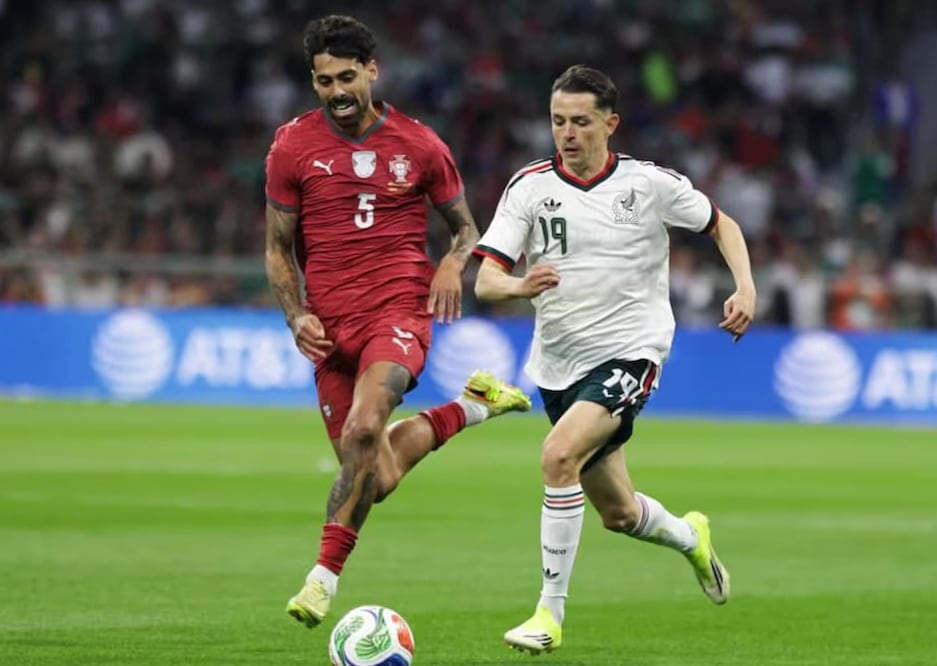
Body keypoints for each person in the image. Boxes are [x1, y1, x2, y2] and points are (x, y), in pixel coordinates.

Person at [473, 65, 756, 654]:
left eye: (580, 121)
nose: (567, 133)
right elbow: (487, 282)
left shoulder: (649, 185)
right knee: (620, 515)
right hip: (558, 365)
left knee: (557, 457)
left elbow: (720, 224)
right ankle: (691, 537)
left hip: (633, 350)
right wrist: (520, 286)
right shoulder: (527, 187)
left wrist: (745, 287)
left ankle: (548, 616)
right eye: (557, 121)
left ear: (610, 123)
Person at [264, 15, 531, 630]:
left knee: (363, 430)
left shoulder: (420, 145)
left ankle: (320, 581)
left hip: (398, 310)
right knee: (374, 475)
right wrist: (295, 313)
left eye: (347, 77)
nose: (336, 91)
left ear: (373, 71)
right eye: (324, 80)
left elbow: (467, 227)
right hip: (329, 328)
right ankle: (470, 407)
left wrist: (451, 266)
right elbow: (278, 246)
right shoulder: (291, 146)